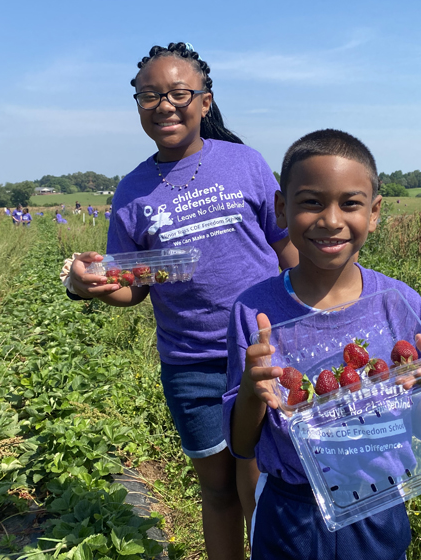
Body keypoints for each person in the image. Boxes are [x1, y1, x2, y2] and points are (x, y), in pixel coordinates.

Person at [65, 42, 297, 560]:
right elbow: (134, 286)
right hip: (191, 365)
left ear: (205, 102)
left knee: (259, 484)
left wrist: (314, 317)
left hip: (261, 353)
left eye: (178, 93)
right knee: (216, 490)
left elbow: (286, 249)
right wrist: (92, 286)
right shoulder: (132, 192)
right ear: (138, 105)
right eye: (150, 95)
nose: (164, 105)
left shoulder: (246, 164)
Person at [223, 129, 421, 559]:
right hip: (290, 511)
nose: (331, 219)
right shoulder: (253, 312)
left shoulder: (398, 304)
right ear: (282, 208)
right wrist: (250, 391)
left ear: (374, 213)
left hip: (380, 507)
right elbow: (242, 444)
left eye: (350, 204)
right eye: (311, 201)